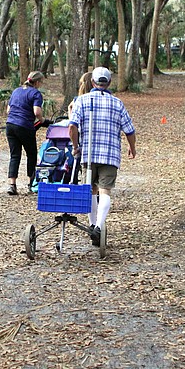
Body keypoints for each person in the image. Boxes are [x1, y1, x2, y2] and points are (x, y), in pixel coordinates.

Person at [68, 67, 136, 245]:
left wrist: (76, 147)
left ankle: (92, 225)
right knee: (105, 190)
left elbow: (72, 126)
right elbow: (129, 130)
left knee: (91, 190)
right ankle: (99, 226)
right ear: (109, 83)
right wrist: (132, 147)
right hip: (110, 154)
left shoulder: (81, 101)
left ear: (92, 82)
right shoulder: (117, 103)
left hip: (88, 154)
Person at [5, 71, 45, 195]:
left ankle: (12, 184)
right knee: (31, 154)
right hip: (25, 126)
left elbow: (8, 110)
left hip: (10, 125)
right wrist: (42, 120)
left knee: (15, 155)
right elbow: (37, 112)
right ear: (37, 82)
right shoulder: (35, 93)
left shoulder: (16, 91)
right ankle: (31, 183)